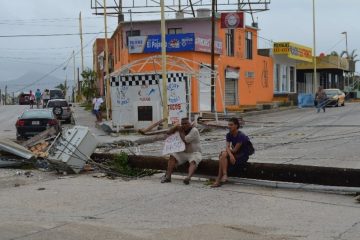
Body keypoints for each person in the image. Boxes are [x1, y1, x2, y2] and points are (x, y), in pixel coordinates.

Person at [211, 118, 251, 188]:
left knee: (222, 156)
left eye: (231, 125)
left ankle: (218, 180)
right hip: (234, 154)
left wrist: (229, 153)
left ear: (236, 125)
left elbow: (235, 150)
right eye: (228, 125)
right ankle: (224, 175)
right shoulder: (229, 134)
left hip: (242, 155)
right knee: (223, 155)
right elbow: (227, 147)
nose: (229, 126)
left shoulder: (241, 135)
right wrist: (230, 155)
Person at [161, 118, 202, 185]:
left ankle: (188, 178)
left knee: (194, 161)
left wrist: (180, 131)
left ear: (190, 124)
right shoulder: (181, 129)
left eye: (186, 123)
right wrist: (175, 127)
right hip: (183, 152)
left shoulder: (194, 130)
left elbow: (186, 140)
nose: (184, 125)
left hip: (194, 152)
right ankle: (168, 177)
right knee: (172, 156)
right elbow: (168, 133)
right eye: (183, 124)